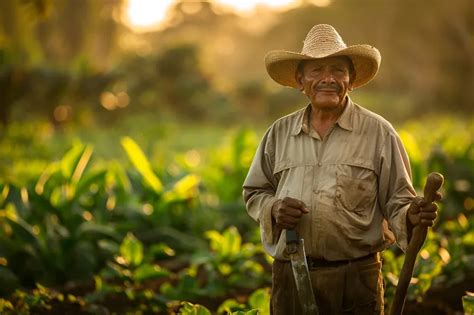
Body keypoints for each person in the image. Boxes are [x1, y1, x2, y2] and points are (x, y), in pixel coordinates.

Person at [242, 24, 441, 315]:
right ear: (300, 80)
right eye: (316, 71)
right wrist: (274, 209)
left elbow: (399, 200)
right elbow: (254, 193)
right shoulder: (278, 133)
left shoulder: (379, 133)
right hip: (291, 276)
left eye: (338, 70)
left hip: (356, 281)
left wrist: (412, 214)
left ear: (351, 80)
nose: (328, 79)